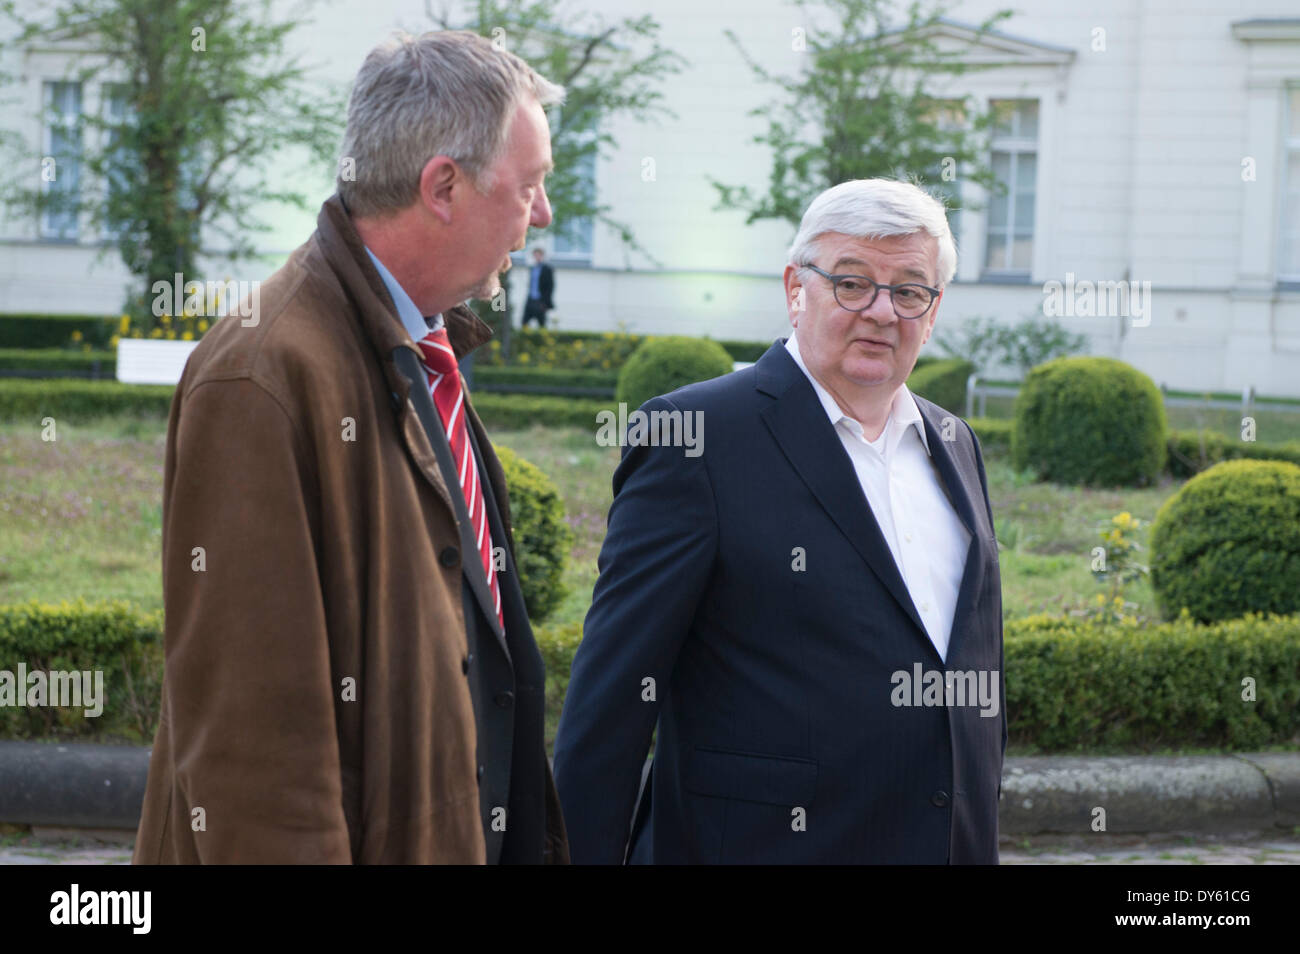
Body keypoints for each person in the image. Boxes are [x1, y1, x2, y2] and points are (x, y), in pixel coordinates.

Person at [132, 30, 569, 864]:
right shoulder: (262, 373)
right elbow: (254, 750)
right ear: (444, 185)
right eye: (532, 186)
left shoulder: (415, 340)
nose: (543, 213)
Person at [553, 178, 1006, 864]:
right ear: (796, 288)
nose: (882, 312)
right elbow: (610, 701)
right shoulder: (697, 436)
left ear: (933, 311)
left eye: (910, 290)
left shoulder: (955, 444)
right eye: (852, 283)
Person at [521, 247, 555, 328]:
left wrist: (545, 302)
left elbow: (550, 287)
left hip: (540, 300)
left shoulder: (547, 269)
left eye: (539, 255)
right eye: (535, 255)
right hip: (531, 299)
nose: (537, 257)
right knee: (524, 321)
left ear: (542, 256)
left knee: (541, 323)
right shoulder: (533, 268)